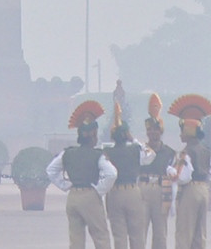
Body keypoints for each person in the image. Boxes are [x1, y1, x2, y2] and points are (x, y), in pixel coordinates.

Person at [48, 111, 116, 249]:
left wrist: (65, 185)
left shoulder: (67, 153)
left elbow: (51, 170)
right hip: (90, 195)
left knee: (76, 240)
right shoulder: (97, 155)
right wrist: (99, 190)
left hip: (73, 197)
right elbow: (112, 174)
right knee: (101, 236)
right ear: (93, 136)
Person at [102, 105, 154, 249]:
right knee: (137, 234)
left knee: (119, 236)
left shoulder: (107, 152)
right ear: (126, 134)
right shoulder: (135, 150)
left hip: (115, 192)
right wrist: (134, 139)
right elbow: (151, 155)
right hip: (133, 192)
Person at [139, 96, 177, 249]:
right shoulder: (141, 151)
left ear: (161, 131)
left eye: (156, 129)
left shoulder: (169, 152)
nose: (153, 133)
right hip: (143, 188)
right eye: (150, 130)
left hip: (162, 190)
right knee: (140, 230)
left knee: (160, 231)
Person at [171, 119, 211, 249]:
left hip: (190, 190)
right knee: (200, 232)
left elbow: (184, 177)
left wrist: (173, 176)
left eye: (182, 132)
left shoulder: (186, 152)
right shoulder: (206, 151)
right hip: (204, 189)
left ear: (188, 133)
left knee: (184, 231)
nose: (180, 135)